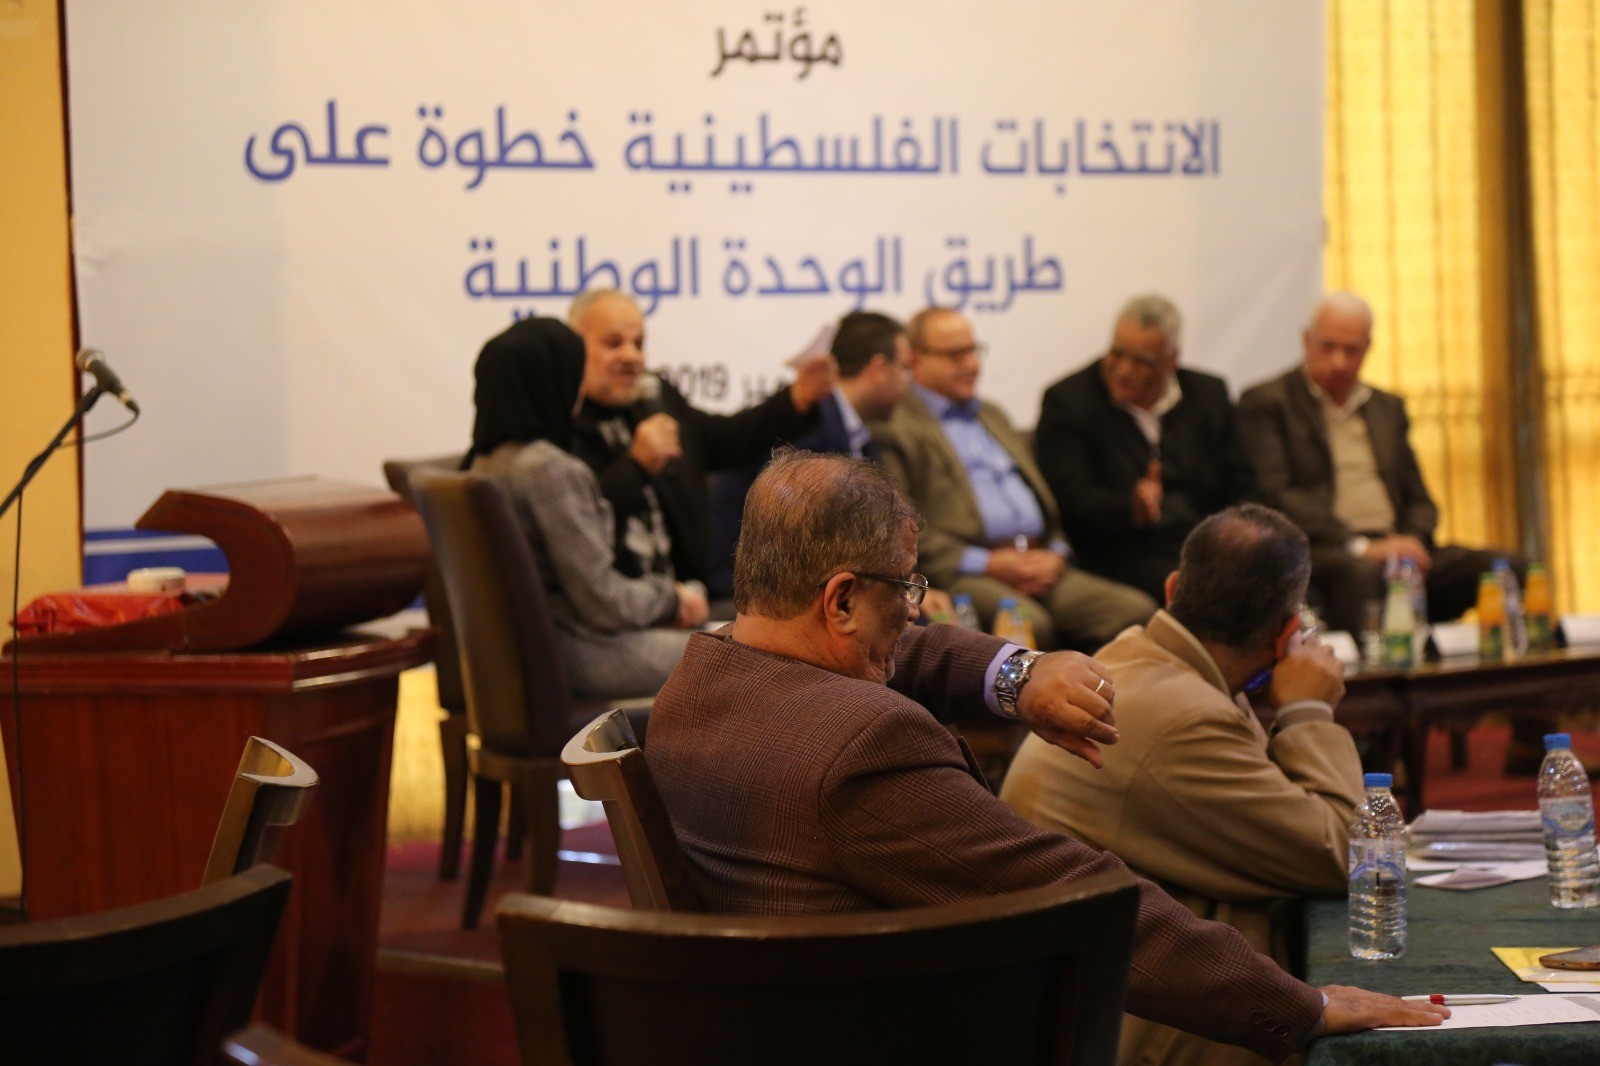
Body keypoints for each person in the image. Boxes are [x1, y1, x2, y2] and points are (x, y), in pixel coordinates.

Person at [645, 451, 1446, 1062]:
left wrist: (1016, 675)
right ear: (843, 599)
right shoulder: (864, 746)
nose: (915, 615)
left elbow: (903, 651)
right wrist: (1302, 1006)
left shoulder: (702, 680)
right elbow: (1080, 902)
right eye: (907, 591)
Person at [1002, 503, 1363, 1066]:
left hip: (1078, 987)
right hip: (1107, 1027)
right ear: (1287, 633)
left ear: (1173, 588)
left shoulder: (1141, 658)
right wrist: (1308, 710)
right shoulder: (1187, 714)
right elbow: (1345, 854)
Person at [1237, 292, 1521, 637]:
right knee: (1360, 573)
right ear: (1307, 340)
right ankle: (1370, 669)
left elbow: (1420, 499)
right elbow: (1278, 495)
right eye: (1328, 347)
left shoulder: (1386, 407)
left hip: (1396, 546)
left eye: (1352, 350)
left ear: (1368, 348)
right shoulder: (1268, 403)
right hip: (1326, 549)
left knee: (1509, 567)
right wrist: (1361, 545)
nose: (1339, 361)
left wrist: (1411, 541)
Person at [873, 306, 1156, 650]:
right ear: (915, 360)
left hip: (1040, 560)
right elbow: (900, 524)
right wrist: (990, 563)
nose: (972, 365)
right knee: (1029, 625)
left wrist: (1056, 553)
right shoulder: (895, 425)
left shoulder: (992, 415)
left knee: (1135, 612)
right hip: (967, 570)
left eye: (974, 351)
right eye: (956, 355)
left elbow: (1042, 499)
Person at [466, 317, 705, 699]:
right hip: (584, 653)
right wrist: (673, 598)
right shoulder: (549, 470)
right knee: (746, 662)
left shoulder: (485, 461)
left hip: (532, 656)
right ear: (550, 381)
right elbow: (602, 602)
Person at [566, 288, 834, 596]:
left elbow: (724, 440)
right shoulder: (559, 423)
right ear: (573, 347)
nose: (631, 356)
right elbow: (576, 526)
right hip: (617, 603)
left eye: (638, 344)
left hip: (690, 594)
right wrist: (636, 467)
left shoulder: (654, 397)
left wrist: (796, 399)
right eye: (613, 343)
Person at [1035, 294, 1257, 602]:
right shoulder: (1070, 402)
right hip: (1124, 551)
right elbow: (1069, 500)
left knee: (1276, 571)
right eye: (1117, 353)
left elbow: (1243, 480)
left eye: (1142, 361)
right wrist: (1131, 508)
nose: (1124, 369)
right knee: (1208, 588)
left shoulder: (1208, 393)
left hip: (1205, 538)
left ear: (1172, 360)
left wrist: (1236, 536)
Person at [705, 310, 913, 598]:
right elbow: (806, 549)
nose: (909, 382)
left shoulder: (859, 433)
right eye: (905, 368)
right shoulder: (807, 429)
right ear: (879, 368)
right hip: (753, 591)